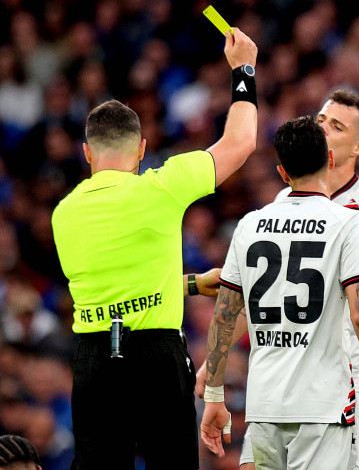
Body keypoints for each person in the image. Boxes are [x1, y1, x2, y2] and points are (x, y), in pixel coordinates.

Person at [50, 28, 258, 470]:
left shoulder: (63, 213)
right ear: (142, 149)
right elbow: (240, 143)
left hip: (93, 359)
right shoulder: (160, 187)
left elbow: (113, 286)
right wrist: (244, 70)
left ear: (87, 153)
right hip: (155, 356)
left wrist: (186, 284)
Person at [196, 89, 359, 470]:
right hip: (282, 381)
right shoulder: (280, 204)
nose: (323, 128)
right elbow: (257, 299)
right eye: (321, 120)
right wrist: (213, 363)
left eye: (336, 126)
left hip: (348, 383)